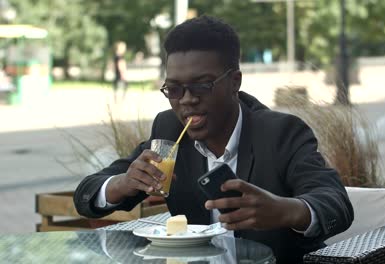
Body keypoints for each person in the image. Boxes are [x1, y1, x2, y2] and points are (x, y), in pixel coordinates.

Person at [74, 16, 353, 263]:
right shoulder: (169, 130)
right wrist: (122, 184)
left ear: (235, 82)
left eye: (201, 85)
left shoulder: (281, 133)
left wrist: (286, 211)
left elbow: (336, 204)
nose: (187, 100)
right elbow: (87, 194)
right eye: (174, 89)